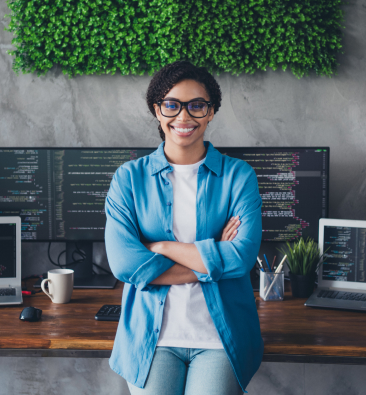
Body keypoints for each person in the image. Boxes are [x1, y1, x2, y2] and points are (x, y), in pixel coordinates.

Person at [105, 60, 263, 395]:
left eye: (197, 106)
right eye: (172, 105)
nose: (184, 116)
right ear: (157, 111)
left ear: (211, 112)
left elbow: (241, 258)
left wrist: (160, 247)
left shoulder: (239, 176)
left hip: (220, 338)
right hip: (150, 338)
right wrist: (210, 259)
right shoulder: (129, 179)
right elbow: (124, 263)